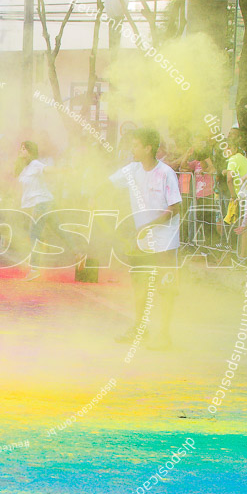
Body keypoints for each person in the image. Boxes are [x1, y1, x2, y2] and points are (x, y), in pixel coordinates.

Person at [108, 128, 182, 348]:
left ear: (148, 148)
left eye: (136, 145)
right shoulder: (131, 170)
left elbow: (175, 208)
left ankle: (164, 335)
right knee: (139, 285)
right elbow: (108, 183)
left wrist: (148, 226)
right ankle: (140, 329)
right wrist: (95, 197)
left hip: (165, 242)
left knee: (165, 287)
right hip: (143, 241)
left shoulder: (166, 172)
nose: (132, 149)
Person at [17, 141, 76, 281]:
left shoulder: (35, 164)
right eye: (20, 148)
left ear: (30, 152)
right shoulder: (25, 169)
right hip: (43, 203)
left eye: (23, 149)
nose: (20, 151)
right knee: (58, 229)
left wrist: (65, 170)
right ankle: (78, 252)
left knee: (34, 234)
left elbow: (48, 170)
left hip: (42, 203)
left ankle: (35, 268)